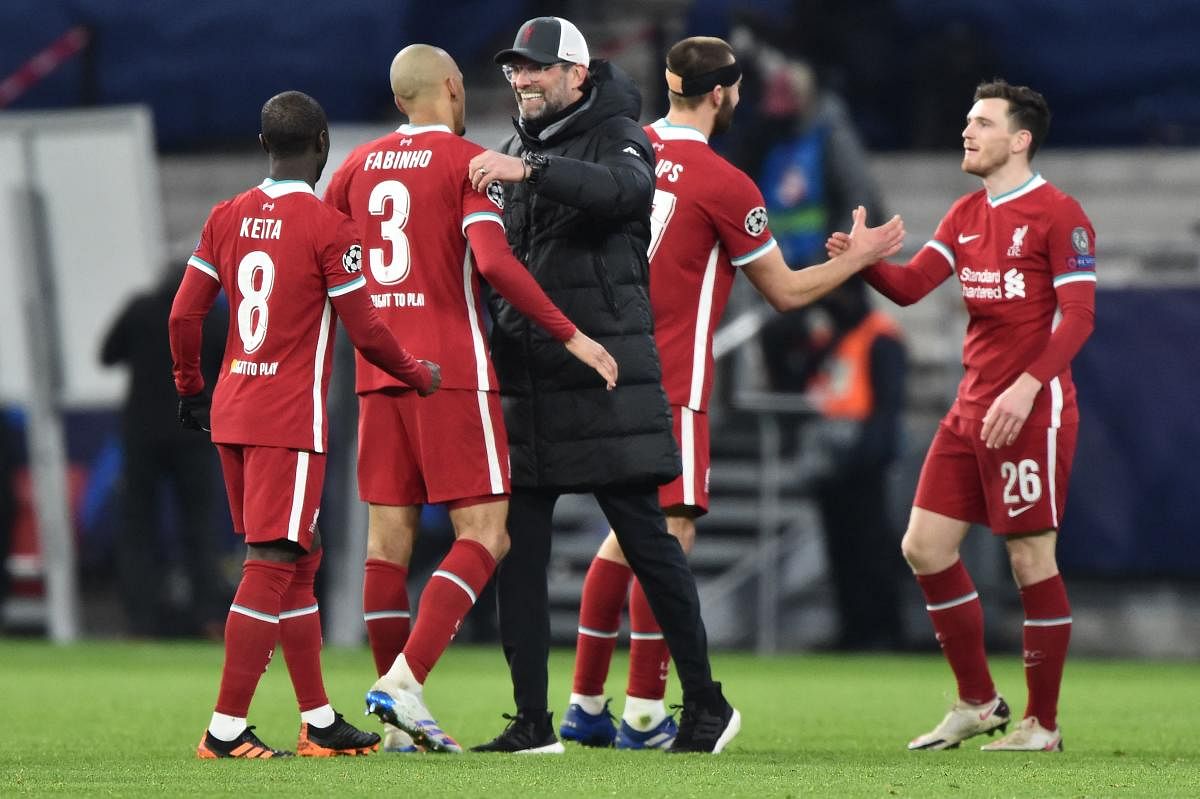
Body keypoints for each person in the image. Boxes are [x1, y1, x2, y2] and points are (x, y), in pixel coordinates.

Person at [555, 35, 905, 750]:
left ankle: (587, 703)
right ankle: (647, 711)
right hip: (671, 383)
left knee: (626, 538)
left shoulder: (617, 150)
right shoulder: (725, 182)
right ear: (724, 94)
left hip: (603, 374)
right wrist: (861, 260)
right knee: (668, 537)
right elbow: (784, 291)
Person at [321, 44, 617, 754]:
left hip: (376, 371)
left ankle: (396, 723)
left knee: (385, 548)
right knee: (486, 533)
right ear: (452, 89)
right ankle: (404, 682)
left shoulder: (354, 169)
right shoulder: (467, 164)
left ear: (399, 101)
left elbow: (328, 267)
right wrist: (573, 336)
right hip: (449, 367)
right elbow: (490, 260)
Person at [826, 79, 1096, 752]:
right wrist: (865, 263)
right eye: (967, 121)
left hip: (1031, 410)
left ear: (1020, 138)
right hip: (971, 408)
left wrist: (1028, 386)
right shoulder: (964, 215)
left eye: (982, 122)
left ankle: (1043, 724)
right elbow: (913, 285)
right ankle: (979, 701)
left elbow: (1081, 318)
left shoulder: (1060, 215)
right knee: (923, 545)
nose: (967, 132)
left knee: (1031, 557)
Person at [170, 90, 439, 760]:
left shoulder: (225, 216)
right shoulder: (328, 228)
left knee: (299, 556)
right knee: (271, 560)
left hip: (232, 409)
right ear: (321, 144)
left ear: (265, 144)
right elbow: (369, 332)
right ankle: (225, 727)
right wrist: (418, 371)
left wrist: (190, 387)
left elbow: (182, 315)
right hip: (286, 419)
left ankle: (317, 718)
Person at [761, 275, 909, 651]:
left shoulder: (880, 335)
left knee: (872, 549)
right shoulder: (831, 339)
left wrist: (869, 455)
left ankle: (883, 633)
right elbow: (792, 371)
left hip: (863, 458)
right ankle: (853, 630)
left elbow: (887, 405)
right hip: (829, 456)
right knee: (840, 549)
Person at [100, 265, 231, 638]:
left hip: (142, 435)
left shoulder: (140, 308)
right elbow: (231, 367)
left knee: (138, 528)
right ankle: (207, 617)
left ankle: (141, 619)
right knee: (200, 528)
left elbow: (107, 355)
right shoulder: (214, 317)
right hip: (194, 435)